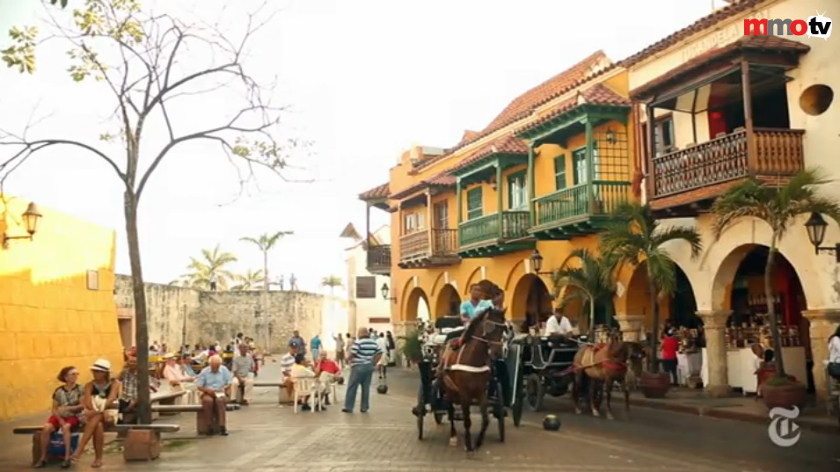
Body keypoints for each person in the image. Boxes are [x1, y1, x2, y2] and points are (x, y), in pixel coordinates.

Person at [70, 359, 121, 468]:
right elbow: (88, 403)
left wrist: (97, 411)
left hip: (110, 413)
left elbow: (111, 398)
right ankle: (98, 459)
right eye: (94, 371)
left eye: (98, 371)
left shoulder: (114, 383)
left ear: (105, 373)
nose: (95, 373)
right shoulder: (89, 385)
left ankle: (80, 449)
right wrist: (95, 411)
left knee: (96, 418)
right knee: (98, 425)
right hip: (95, 415)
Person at [34, 366, 84, 469]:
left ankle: (66, 458)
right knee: (46, 428)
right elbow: (54, 409)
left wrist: (67, 409)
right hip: (59, 416)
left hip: (73, 416)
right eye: (73, 374)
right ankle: (43, 457)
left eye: (76, 374)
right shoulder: (59, 391)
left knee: (66, 428)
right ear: (66, 377)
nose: (75, 376)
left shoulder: (80, 389)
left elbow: (82, 405)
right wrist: (60, 419)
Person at [343, 327, 382, 413]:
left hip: (358, 367)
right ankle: (364, 407)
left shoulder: (358, 342)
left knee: (352, 386)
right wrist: (374, 363)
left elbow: (353, 353)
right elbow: (380, 352)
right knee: (366, 387)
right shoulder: (374, 343)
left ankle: (349, 407)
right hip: (368, 367)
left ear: (360, 334)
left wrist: (347, 359)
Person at [196, 355, 232, 435]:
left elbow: (229, 382)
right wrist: (207, 390)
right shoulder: (204, 371)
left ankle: (222, 426)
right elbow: (199, 386)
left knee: (220, 401)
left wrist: (224, 387)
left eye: (217, 366)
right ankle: (209, 426)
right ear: (210, 365)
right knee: (208, 401)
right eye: (213, 366)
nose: (215, 368)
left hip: (220, 392)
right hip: (208, 392)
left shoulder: (224, 370)